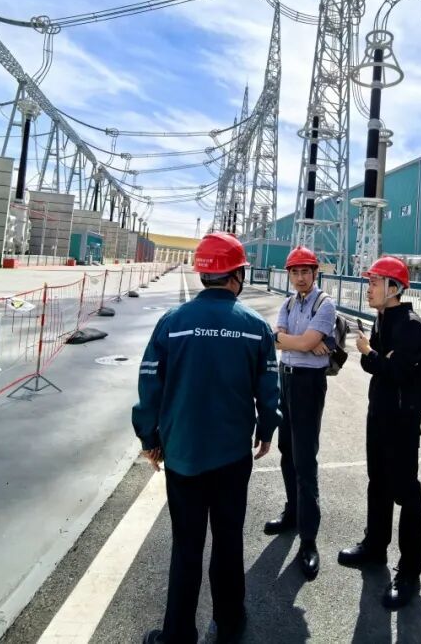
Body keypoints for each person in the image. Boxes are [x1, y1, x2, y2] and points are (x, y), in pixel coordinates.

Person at [133, 232, 280, 644]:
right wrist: (266, 429)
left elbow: (149, 385)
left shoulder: (172, 323)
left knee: (186, 546)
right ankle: (229, 623)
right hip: (232, 456)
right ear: (237, 275)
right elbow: (269, 389)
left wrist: (149, 437)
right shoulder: (255, 327)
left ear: (202, 274)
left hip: (183, 454)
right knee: (229, 540)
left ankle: (177, 634)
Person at [338, 256, 421, 610]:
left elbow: (399, 372)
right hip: (378, 414)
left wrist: (373, 355)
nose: (369, 288)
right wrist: (374, 355)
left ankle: (409, 571)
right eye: (370, 282)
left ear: (394, 288)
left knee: (406, 491)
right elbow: (375, 365)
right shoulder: (382, 318)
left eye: (375, 282)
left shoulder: (410, 325)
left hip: (402, 421)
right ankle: (375, 546)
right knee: (377, 482)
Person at [263, 245, 336, 580]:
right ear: (290, 274)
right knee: (286, 451)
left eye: (306, 271)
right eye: (295, 272)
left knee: (305, 459)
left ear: (315, 273)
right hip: (286, 379)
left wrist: (295, 340)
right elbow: (278, 339)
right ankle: (292, 512)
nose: (301, 277)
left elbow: (295, 342)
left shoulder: (325, 304)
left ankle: (308, 539)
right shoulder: (288, 303)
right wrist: (301, 341)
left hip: (309, 383)